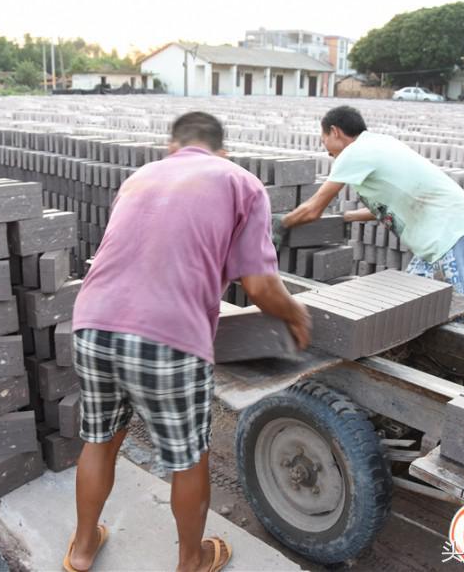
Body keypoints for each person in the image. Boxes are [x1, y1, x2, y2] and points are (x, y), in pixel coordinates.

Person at [65, 111, 312, 572]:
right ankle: (191, 560)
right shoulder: (241, 182)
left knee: (99, 440)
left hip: (92, 323)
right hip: (169, 338)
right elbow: (258, 287)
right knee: (187, 456)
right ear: (222, 149)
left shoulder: (140, 177)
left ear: (171, 146)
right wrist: (295, 314)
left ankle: (80, 550)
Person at [276, 105, 464, 331]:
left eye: (324, 140)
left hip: (450, 229)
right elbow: (390, 205)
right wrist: (346, 217)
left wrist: (282, 223)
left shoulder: (353, 153)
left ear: (335, 131)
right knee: (414, 300)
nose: (327, 151)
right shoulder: (379, 143)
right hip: (443, 230)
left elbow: (313, 209)